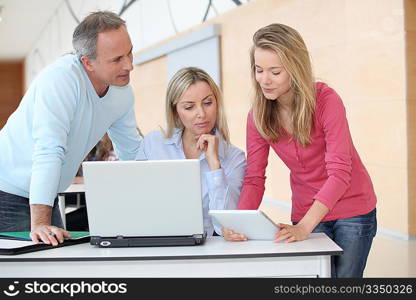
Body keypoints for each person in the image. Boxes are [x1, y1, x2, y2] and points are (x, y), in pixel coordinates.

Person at [223, 24, 377, 278]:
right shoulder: (258, 116)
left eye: (275, 71)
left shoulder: (327, 101)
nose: (264, 79)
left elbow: (339, 173)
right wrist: (238, 223)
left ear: (295, 69)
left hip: (353, 208)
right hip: (306, 210)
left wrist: (304, 227)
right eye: (259, 70)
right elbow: (254, 178)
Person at [0, 11, 142, 245]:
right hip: (6, 191)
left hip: (46, 195)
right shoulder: (61, 80)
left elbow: (133, 153)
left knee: (53, 266)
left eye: (130, 53)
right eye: (117, 59)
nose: (129, 65)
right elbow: (49, 150)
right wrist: (40, 223)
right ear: (87, 62)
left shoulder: (123, 93)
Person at [136, 67, 246, 236]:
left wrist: (215, 165)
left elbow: (225, 227)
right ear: (175, 111)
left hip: (206, 249)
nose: (201, 114)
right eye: (189, 107)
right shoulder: (153, 144)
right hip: (156, 239)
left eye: (208, 103)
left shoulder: (235, 158)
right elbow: (137, 202)